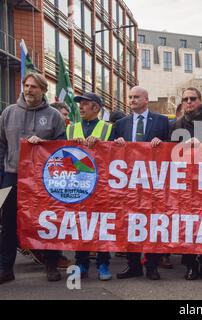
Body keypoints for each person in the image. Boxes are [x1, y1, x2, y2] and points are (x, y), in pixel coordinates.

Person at [0, 73, 66, 284]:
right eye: (26, 86)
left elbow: (61, 147)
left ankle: (51, 264)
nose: (28, 90)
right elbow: (1, 145)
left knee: (47, 221)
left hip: (43, 179)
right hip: (11, 176)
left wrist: (44, 142)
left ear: (44, 91)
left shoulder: (54, 116)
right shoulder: (8, 112)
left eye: (34, 87)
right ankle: (6, 268)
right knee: (8, 222)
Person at [114, 86, 170, 281]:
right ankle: (133, 265)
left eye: (136, 97)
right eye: (130, 97)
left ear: (146, 99)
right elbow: (111, 152)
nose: (132, 100)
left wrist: (161, 142)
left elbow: (171, 148)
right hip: (129, 183)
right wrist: (117, 143)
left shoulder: (162, 121)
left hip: (153, 182)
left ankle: (152, 265)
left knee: (152, 223)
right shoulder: (121, 124)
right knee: (131, 223)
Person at [170, 87, 202, 280]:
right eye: (185, 99)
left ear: (200, 100)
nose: (189, 102)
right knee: (187, 224)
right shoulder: (176, 125)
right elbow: (167, 153)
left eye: (192, 98)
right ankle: (190, 264)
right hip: (185, 184)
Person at [67, 92, 114, 281]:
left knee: (102, 225)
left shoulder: (109, 128)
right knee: (80, 225)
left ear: (96, 108)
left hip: (102, 185)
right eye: (80, 104)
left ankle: (103, 263)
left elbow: (119, 154)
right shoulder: (71, 129)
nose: (81, 107)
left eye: (85, 104)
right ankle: (81, 263)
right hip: (78, 186)